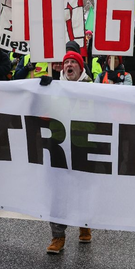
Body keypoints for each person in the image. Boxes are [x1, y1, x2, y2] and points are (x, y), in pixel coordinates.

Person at [47, 50, 93, 254]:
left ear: (80, 68)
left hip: (83, 146)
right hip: (58, 146)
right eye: (66, 62)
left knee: (82, 190)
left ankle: (84, 223)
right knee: (57, 193)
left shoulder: (92, 89)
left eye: (74, 62)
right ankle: (58, 236)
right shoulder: (53, 87)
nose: (69, 65)